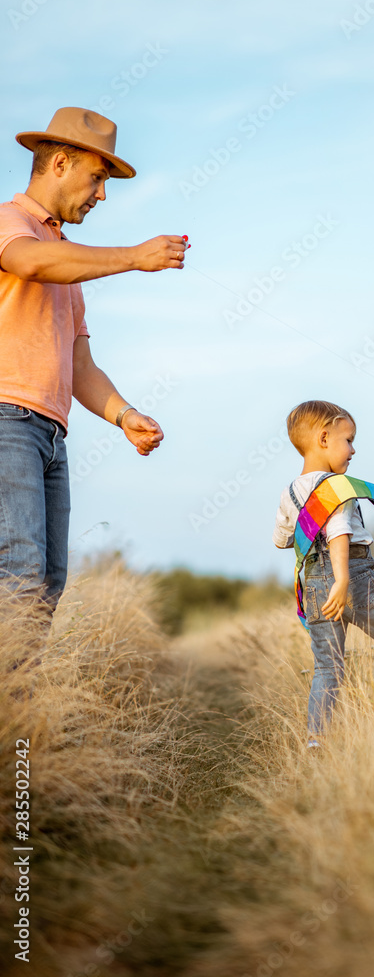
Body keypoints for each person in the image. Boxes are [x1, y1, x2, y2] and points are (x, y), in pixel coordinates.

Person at [0, 106, 188, 617]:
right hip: (7, 421)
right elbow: (27, 262)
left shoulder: (69, 263)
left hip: (50, 435)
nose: (101, 194)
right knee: (17, 573)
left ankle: (24, 699)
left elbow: (79, 363)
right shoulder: (10, 222)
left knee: (45, 586)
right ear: (60, 162)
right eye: (97, 178)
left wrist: (125, 416)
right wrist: (133, 256)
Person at [273, 400, 374, 749]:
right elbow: (340, 530)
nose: (353, 450)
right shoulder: (337, 488)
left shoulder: (290, 491)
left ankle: (316, 742)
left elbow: (281, 539)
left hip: (313, 583)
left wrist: (308, 534)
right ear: (324, 438)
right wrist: (341, 580)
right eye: (348, 440)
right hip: (350, 577)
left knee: (329, 667)